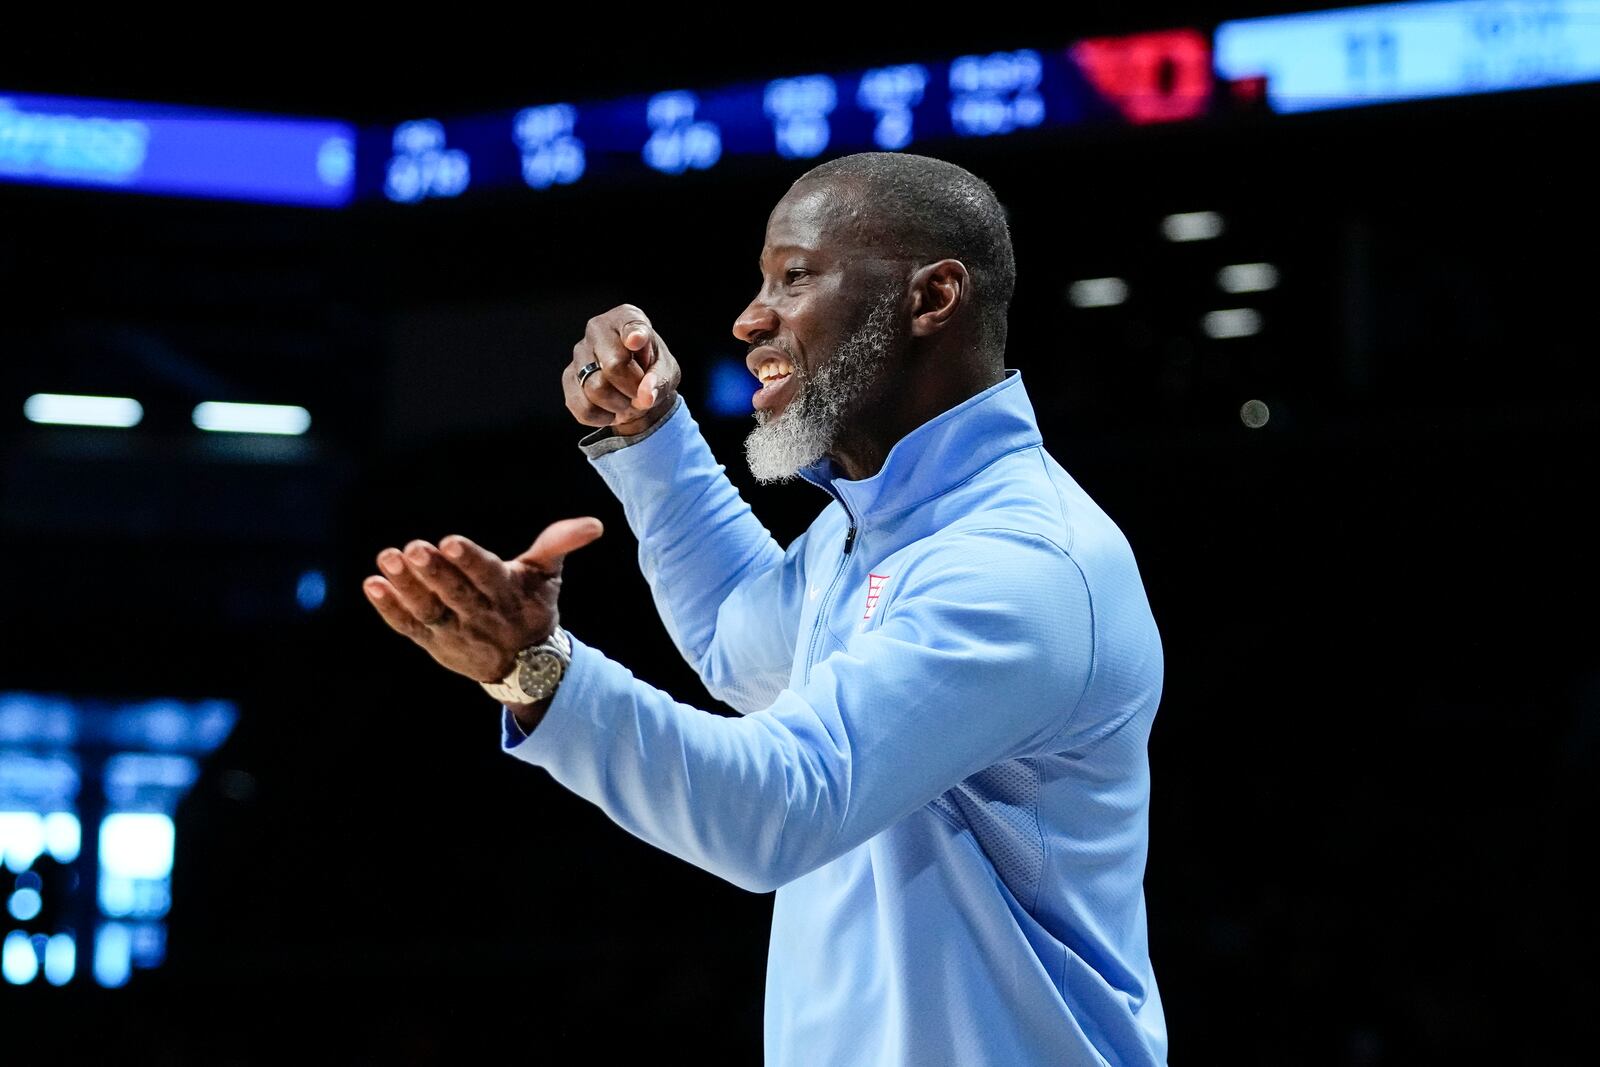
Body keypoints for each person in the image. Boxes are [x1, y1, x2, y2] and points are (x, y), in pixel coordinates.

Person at [362, 152, 1167, 1065]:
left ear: (933, 298)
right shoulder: (865, 528)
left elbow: (783, 806)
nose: (750, 318)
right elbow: (736, 638)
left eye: (795, 276)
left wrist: (537, 669)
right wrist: (651, 433)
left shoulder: (1021, 563)